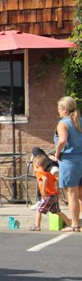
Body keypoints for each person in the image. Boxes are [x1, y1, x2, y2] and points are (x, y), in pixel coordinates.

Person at [53, 96, 82, 232]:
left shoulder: (63, 123)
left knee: (72, 195)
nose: (58, 111)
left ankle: (75, 224)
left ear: (64, 110)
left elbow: (63, 140)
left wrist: (57, 153)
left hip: (70, 161)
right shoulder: (79, 121)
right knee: (80, 194)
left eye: (59, 109)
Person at [29, 154, 69, 231]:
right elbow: (57, 179)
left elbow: (45, 179)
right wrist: (57, 189)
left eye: (34, 167)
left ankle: (37, 226)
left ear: (37, 166)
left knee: (38, 209)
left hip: (48, 195)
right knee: (57, 211)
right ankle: (69, 224)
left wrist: (43, 190)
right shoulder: (49, 174)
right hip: (54, 195)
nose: (34, 169)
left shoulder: (39, 173)